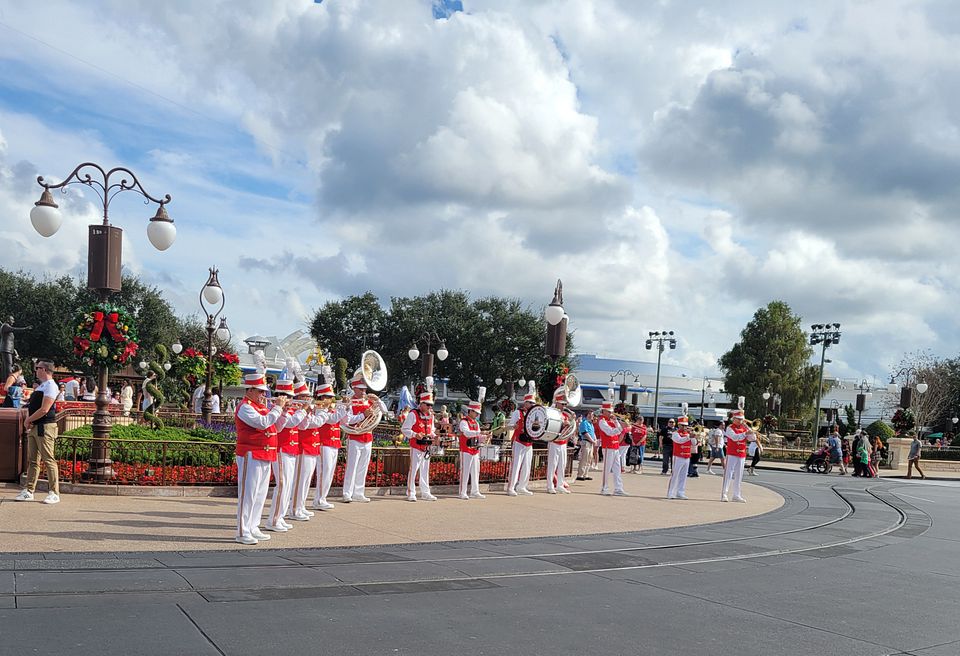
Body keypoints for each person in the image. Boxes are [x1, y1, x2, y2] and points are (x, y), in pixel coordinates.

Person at [233, 372, 287, 545]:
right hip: (251, 453)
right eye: (260, 391)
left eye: (264, 391)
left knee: (260, 494)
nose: (263, 394)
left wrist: (283, 412)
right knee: (248, 494)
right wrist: (277, 408)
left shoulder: (262, 407)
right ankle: (242, 531)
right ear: (250, 390)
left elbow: (277, 428)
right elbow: (262, 423)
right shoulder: (245, 407)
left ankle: (253, 526)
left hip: (265, 454)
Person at [14, 359, 61, 504]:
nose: (36, 370)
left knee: (48, 459)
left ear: (44, 370)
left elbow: (44, 409)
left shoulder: (51, 386)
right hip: (35, 426)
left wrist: (28, 420)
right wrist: (29, 420)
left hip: (45, 426)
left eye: (37, 368)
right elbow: (34, 406)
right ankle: (29, 491)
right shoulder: (42, 386)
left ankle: (54, 492)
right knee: (33, 460)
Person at [340, 369, 385, 503]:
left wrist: (377, 400)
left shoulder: (369, 401)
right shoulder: (350, 402)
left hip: (367, 437)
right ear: (354, 388)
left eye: (365, 389)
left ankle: (358, 493)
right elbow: (348, 420)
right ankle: (347, 493)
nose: (364, 392)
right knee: (352, 467)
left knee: (363, 467)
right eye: (361, 389)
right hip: (354, 437)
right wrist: (363, 415)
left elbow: (383, 411)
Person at [266, 378, 304, 532]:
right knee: (282, 485)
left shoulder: (288, 409)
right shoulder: (274, 408)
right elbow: (288, 424)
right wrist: (299, 411)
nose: (291, 399)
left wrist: (304, 411)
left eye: (291, 396)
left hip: (291, 449)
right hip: (281, 449)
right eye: (288, 396)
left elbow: (303, 425)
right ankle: (273, 520)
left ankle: (280, 517)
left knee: (288, 485)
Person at [401, 389, 439, 502]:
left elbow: (431, 430)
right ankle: (411, 493)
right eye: (427, 405)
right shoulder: (413, 414)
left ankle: (425, 492)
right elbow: (404, 429)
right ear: (421, 403)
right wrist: (415, 434)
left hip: (426, 447)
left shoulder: (431, 416)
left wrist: (434, 436)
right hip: (416, 446)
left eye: (431, 405)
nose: (429, 407)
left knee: (425, 470)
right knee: (413, 470)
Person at [506, 391, 537, 496]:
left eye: (533, 403)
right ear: (525, 403)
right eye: (530, 403)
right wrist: (513, 426)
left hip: (529, 442)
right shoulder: (518, 412)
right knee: (516, 465)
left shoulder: (534, 414)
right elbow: (510, 424)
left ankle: (522, 486)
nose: (532, 405)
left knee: (527, 466)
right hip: (519, 441)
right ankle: (511, 487)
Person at [457, 397, 486, 500]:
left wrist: (484, 436)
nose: (477, 415)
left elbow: (477, 435)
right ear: (471, 411)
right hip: (466, 449)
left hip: (475, 449)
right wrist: (479, 433)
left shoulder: (476, 423)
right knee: (465, 472)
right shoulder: (463, 422)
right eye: (476, 412)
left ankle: (475, 491)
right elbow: (467, 433)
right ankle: (462, 492)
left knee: (475, 471)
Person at [545, 386, 572, 494]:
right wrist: (562, 424)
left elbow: (568, 430)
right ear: (557, 403)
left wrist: (569, 424)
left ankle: (560, 485)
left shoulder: (565, 415)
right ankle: (550, 486)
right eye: (562, 404)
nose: (564, 406)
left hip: (563, 443)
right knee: (552, 465)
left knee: (562, 465)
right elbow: (551, 426)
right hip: (554, 442)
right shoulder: (553, 413)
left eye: (565, 404)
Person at [597, 401, 626, 496]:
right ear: (604, 411)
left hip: (615, 446)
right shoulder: (602, 421)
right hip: (608, 447)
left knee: (617, 469)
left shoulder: (611, 420)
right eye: (609, 411)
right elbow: (610, 432)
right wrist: (620, 428)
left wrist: (617, 422)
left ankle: (618, 488)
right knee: (607, 469)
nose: (611, 413)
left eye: (611, 411)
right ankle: (604, 488)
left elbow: (617, 431)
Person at [721, 410, 749, 502]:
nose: (740, 421)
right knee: (728, 474)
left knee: (739, 475)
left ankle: (736, 495)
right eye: (738, 419)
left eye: (741, 419)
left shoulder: (744, 428)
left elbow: (752, 438)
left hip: (742, 454)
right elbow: (734, 437)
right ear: (734, 419)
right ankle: (724, 494)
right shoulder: (730, 428)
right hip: (732, 453)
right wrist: (745, 433)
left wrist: (749, 429)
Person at [666, 416, 694, 499]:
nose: (685, 427)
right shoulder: (675, 433)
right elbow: (679, 441)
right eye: (683, 425)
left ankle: (680, 492)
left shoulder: (688, 434)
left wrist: (695, 436)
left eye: (686, 425)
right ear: (679, 425)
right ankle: (670, 493)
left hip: (687, 456)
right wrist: (689, 437)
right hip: (678, 456)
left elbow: (694, 443)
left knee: (683, 476)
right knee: (675, 475)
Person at [0, 316, 31, 382]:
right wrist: (25, 328)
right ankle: (9, 381)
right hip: (6, 349)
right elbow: (15, 329)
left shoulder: (6, 327)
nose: (13, 322)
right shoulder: (5, 326)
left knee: (5, 366)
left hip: (8, 349)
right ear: (8, 320)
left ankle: (5, 381)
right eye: (12, 320)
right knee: (8, 365)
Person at [576, 410, 597, 480]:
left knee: (589, 459)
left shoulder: (590, 423)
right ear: (587, 415)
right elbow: (585, 433)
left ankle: (585, 474)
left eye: (592, 415)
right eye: (591, 414)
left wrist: (594, 440)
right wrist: (593, 440)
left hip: (590, 442)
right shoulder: (584, 422)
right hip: (586, 442)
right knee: (584, 458)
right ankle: (580, 475)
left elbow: (593, 433)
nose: (592, 416)